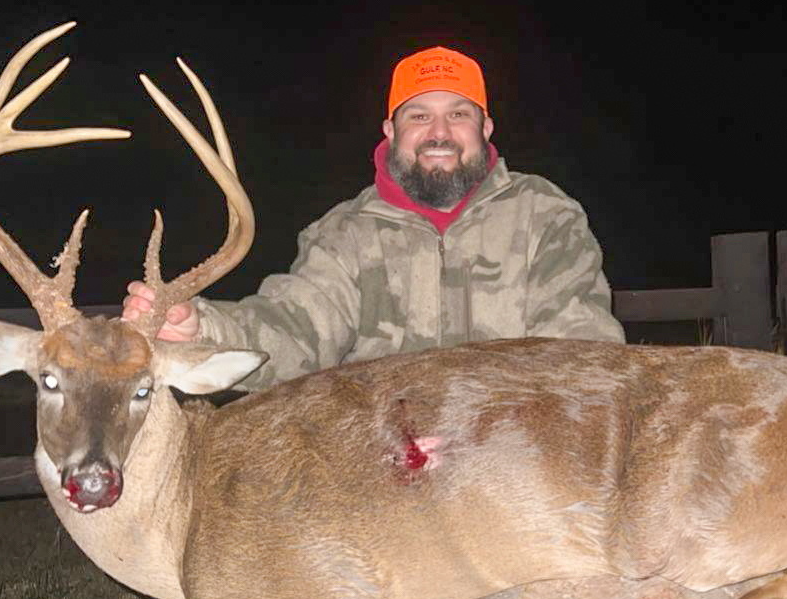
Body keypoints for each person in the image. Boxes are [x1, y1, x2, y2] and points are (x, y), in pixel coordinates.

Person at [122, 45, 625, 390]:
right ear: (391, 129)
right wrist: (204, 330)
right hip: (381, 470)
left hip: (513, 459)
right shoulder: (345, 235)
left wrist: (472, 430)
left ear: (486, 127)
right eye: (419, 115)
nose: (439, 132)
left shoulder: (546, 218)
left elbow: (581, 353)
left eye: (459, 114)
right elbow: (296, 330)